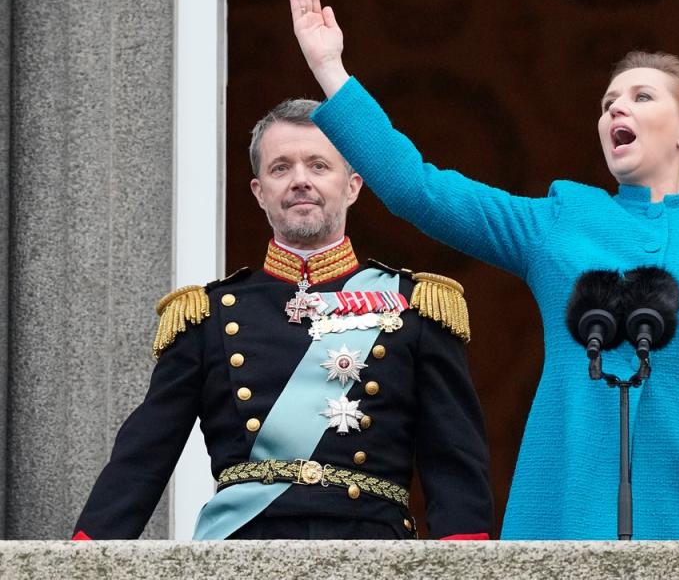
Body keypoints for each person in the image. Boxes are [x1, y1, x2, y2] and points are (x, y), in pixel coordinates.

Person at [286, 0, 679, 540]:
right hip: (567, 519)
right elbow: (418, 190)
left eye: (640, 96)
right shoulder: (560, 221)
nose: (614, 111)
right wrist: (331, 69)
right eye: (607, 104)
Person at [72, 98, 494, 540]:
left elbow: (453, 459)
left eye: (318, 166)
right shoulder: (208, 314)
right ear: (259, 192)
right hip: (242, 548)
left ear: (352, 186)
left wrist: (464, 555)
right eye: (281, 168)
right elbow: (144, 452)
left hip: (370, 548)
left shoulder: (415, 305)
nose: (300, 181)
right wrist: (84, 556)